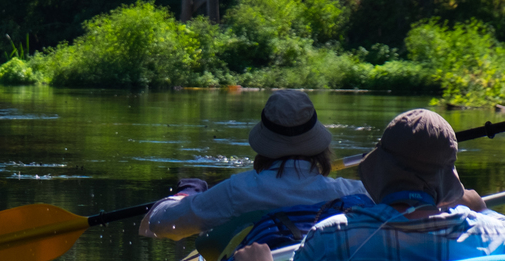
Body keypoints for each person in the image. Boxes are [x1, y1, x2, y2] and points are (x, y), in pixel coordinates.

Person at [235, 108, 501, 261]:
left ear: (382, 169)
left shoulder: (331, 237)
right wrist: (482, 210)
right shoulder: (493, 232)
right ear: (447, 181)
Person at [140, 89, 368, 241]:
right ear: (319, 145)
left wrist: (186, 194)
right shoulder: (355, 193)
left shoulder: (237, 191)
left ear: (264, 143)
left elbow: (159, 223)